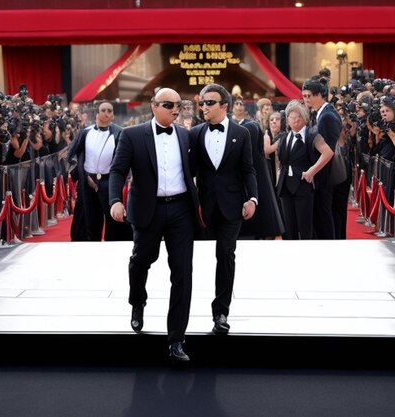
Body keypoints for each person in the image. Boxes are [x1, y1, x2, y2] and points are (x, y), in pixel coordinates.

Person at [109, 88, 201, 363]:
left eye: (179, 105)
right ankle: (137, 301)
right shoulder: (133, 135)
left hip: (181, 210)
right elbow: (117, 170)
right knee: (142, 260)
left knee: (183, 272)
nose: (176, 109)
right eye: (169, 105)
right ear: (154, 106)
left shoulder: (186, 135)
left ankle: (176, 339)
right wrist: (115, 200)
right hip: (147, 210)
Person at [189, 83, 258, 334]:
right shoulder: (195, 133)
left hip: (231, 206)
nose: (204, 106)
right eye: (202, 102)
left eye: (209, 102)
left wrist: (252, 199)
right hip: (201, 208)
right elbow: (189, 172)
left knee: (226, 256)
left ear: (224, 106)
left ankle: (221, 312)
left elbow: (248, 169)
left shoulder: (242, 134)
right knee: (184, 260)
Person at [69, 101, 131, 242]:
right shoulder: (85, 133)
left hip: (109, 182)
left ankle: (114, 246)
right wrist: (84, 176)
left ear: (113, 115)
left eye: (109, 111)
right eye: (103, 110)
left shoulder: (119, 133)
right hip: (87, 182)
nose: (106, 113)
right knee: (88, 219)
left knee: (113, 219)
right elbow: (73, 155)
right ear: (97, 113)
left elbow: (123, 160)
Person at [276, 100, 333, 240]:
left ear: (304, 118)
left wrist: (312, 171)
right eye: (292, 118)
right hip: (285, 187)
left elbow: (328, 153)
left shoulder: (312, 135)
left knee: (305, 226)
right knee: (289, 227)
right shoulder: (284, 137)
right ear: (287, 119)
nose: (295, 121)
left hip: (303, 186)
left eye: (298, 117)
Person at [302, 77, 341, 239]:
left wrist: (312, 171)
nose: (306, 100)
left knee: (324, 214)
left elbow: (329, 151)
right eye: (304, 96)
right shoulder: (323, 113)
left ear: (320, 95)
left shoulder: (327, 116)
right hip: (324, 173)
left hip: (326, 175)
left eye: (309, 96)